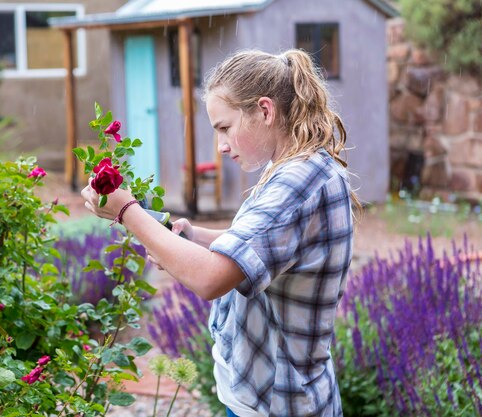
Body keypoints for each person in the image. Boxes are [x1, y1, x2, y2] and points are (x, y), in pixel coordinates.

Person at [81, 48, 359, 417]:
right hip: (273, 397)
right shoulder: (297, 166)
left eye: (225, 127)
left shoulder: (298, 182)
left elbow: (211, 278)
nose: (222, 145)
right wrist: (194, 235)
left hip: (278, 404)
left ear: (265, 110)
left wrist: (127, 211)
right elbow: (267, 247)